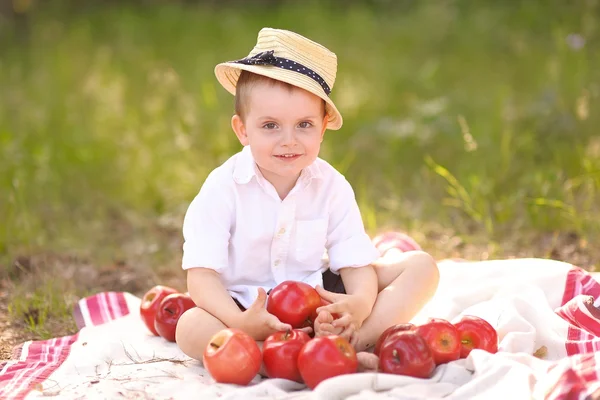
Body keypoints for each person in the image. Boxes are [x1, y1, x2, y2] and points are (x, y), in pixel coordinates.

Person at [175, 27, 439, 371]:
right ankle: (270, 358)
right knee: (190, 326)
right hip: (243, 305)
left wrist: (357, 305)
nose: (289, 141)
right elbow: (201, 276)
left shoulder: (331, 184)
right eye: (270, 126)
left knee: (422, 267)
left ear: (324, 125)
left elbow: (354, 262)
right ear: (242, 130)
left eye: (304, 124)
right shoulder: (223, 187)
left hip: (318, 299)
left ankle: (354, 341)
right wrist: (238, 323)